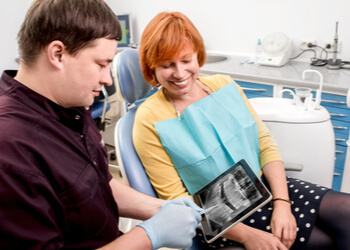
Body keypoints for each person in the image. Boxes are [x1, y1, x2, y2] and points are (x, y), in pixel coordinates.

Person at [133, 11, 350, 250]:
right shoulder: (149, 119)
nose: (180, 73)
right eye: (167, 65)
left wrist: (282, 204)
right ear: (151, 66)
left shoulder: (224, 85)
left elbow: (264, 144)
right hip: (218, 215)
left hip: (263, 184)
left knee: (346, 212)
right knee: (325, 242)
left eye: (186, 60)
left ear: (198, 55)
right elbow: (178, 202)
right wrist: (248, 236)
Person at [0, 2, 203, 249]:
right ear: (58, 54)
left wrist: (159, 208)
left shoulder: (70, 103)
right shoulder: (10, 152)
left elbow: (95, 185)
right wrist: (149, 236)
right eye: (101, 64)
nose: (107, 79)